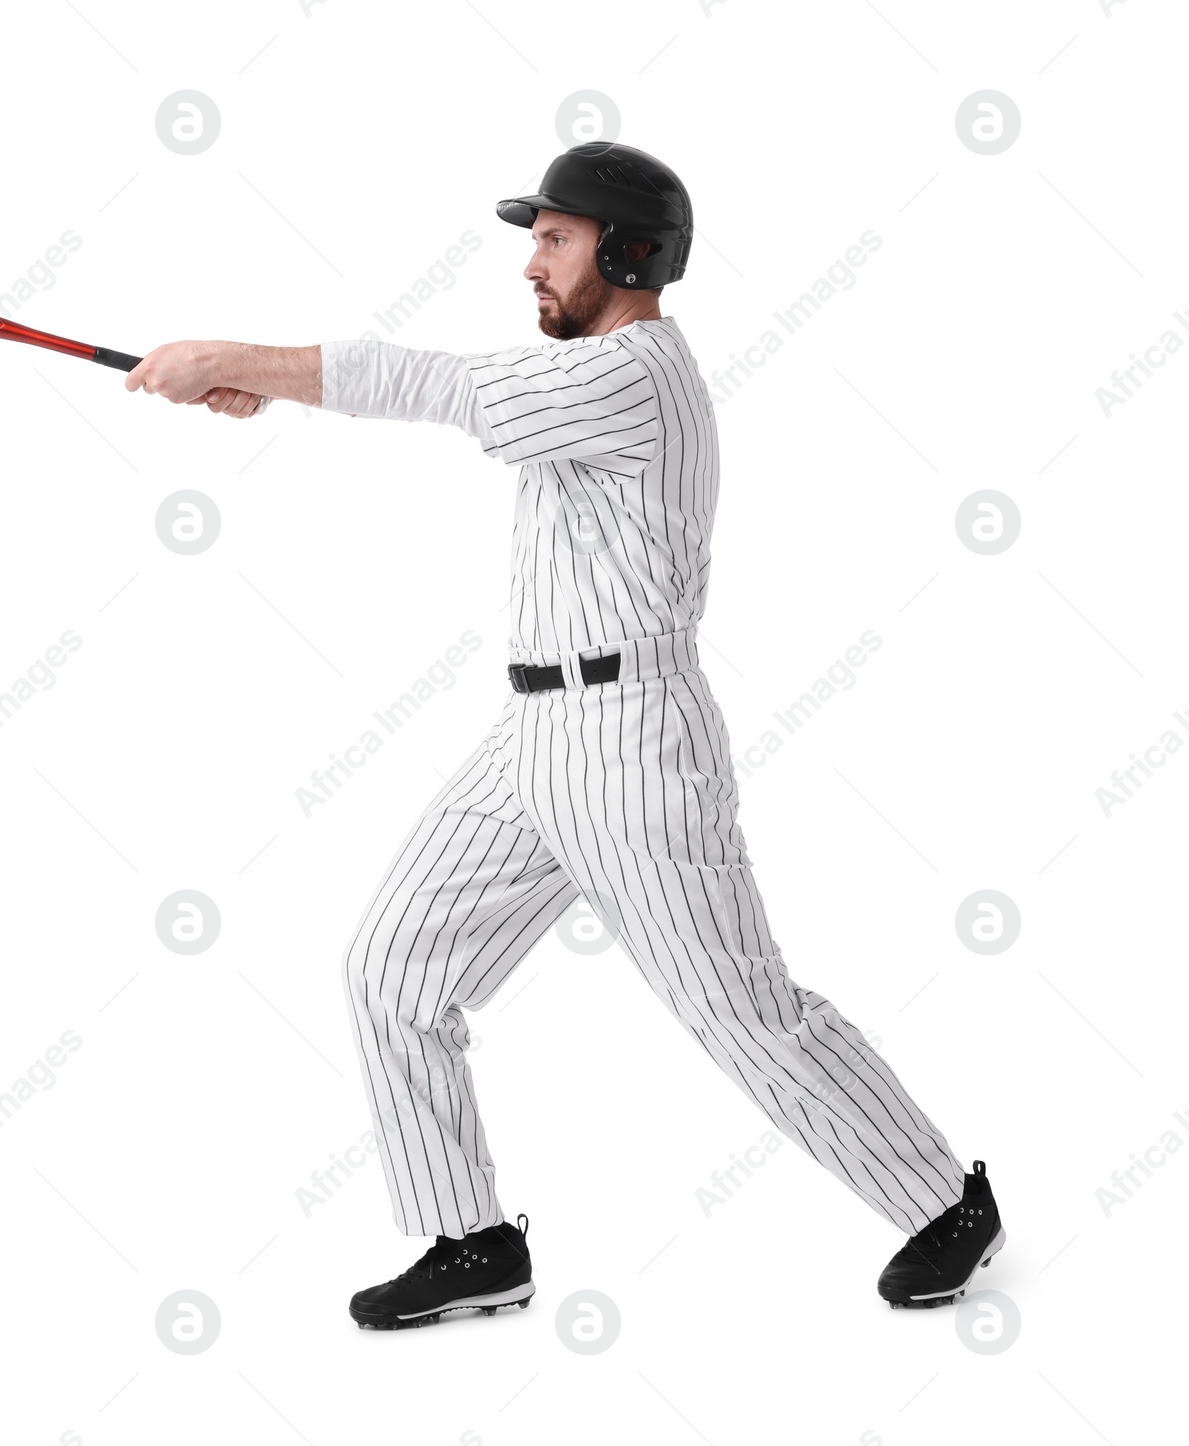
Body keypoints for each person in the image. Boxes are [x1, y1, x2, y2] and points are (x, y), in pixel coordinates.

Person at [123, 142, 1006, 1327]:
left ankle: (945, 1200)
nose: (529, 264)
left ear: (629, 253)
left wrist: (228, 358)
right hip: (529, 734)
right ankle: (471, 1240)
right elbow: (425, 392)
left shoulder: (632, 373)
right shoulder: (585, 375)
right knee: (391, 971)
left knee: (739, 1010)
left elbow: (430, 384)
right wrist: (259, 385)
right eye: (532, 239)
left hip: (632, 739)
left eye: (554, 240)